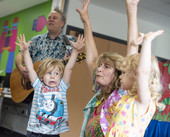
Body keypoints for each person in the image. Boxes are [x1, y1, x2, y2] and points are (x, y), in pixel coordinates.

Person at [76, 0, 140, 136]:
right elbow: (92, 58)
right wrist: (86, 20)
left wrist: (132, 7)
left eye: (106, 67)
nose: (99, 69)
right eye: (99, 66)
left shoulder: (122, 95)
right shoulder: (99, 97)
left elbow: (133, 49)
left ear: (118, 74)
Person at [15, 34, 85, 137]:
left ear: (60, 76)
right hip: (36, 132)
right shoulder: (38, 86)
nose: (53, 76)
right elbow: (30, 68)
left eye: (56, 73)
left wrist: (75, 51)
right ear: (42, 77)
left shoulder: (62, 87)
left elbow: (69, 68)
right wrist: (25, 52)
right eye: (49, 73)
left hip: (54, 133)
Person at [106, 30, 165, 137]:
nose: (120, 76)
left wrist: (147, 42)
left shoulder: (143, 100)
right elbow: (132, 64)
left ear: (135, 77)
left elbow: (141, 72)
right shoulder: (128, 98)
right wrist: (134, 45)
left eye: (124, 73)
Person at [15, 7, 76, 80]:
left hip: (54, 86)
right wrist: (20, 67)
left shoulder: (70, 41)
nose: (51, 19)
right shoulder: (36, 39)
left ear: (62, 23)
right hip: (32, 85)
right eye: (49, 17)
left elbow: (70, 64)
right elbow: (21, 54)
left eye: (54, 18)